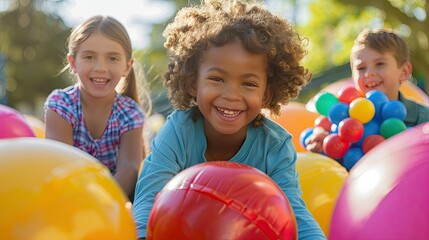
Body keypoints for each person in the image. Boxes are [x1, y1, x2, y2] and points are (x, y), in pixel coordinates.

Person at [132, 0, 326, 239]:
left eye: (248, 83)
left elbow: (293, 213)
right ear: (194, 82)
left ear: (266, 93)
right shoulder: (178, 131)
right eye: (217, 79)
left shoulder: (274, 145)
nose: (231, 95)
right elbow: (149, 197)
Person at [44, 15, 151, 201]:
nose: (101, 67)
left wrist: (101, 201)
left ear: (127, 66)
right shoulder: (61, 105)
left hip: (114, 199)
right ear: (73, 63)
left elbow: (129, 167)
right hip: (68, 197)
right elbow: (60, 165)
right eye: (89, 57)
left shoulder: (129, 113)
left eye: (112, 58)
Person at [305, 28, 429, 153]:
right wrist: (320, 137)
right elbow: (322, 131)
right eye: (361, 68)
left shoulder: (423, 119)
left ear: (404, 71)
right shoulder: (342, 116)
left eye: (380, 64)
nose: (369, 73)